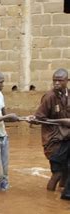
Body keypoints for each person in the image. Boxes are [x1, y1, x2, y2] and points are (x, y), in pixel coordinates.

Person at [32, 68, 70, 199]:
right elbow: (38, 118)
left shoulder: (69, 95)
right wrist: (62, 121)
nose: (57, 83)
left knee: (66, 171)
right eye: (55, 80)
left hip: (67, 139)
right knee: (57, 173)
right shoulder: (49, 97)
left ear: (67, 81)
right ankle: (49, 198)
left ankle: (61, 196)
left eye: (60, 80)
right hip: (53, 141)